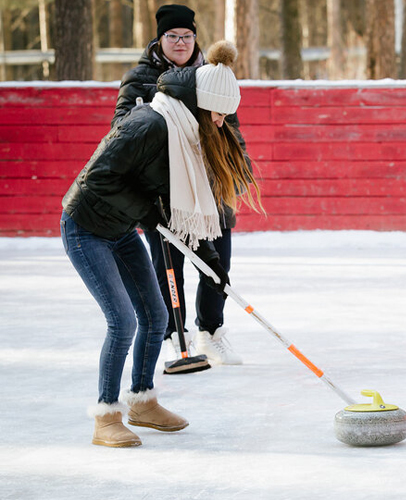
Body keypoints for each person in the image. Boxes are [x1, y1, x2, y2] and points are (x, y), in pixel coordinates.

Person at [61, 40, 263, 447]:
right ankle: (106, 415)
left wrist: (209, 258)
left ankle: (142, 401)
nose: (221, 122)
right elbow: (97, 178)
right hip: (86, 228)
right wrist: (148, 214)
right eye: (218, 113)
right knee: (123, 321)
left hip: (120, 229)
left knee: (156, 316)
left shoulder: (187, 131)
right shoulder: (149, 124)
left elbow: (179, 202)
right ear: (203, 105)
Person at [113, 4, 250, 365]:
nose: (180, 42)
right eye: (172, 36)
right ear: (159, 39)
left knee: (217, 265)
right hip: (165, 192)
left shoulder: (212, 76)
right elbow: (123, 132)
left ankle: (211, 331)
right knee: (168, 268)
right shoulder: (139, 79)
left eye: (187, 35)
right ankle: (177, 335)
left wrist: (237, 173)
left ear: (195, 38)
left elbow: (231, 130)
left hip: (210, 188)